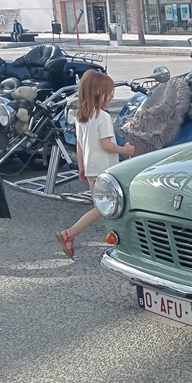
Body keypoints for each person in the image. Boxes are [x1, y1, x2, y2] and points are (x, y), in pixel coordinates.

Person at [55, 70, 135, 260]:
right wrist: (126, 150)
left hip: (91, 168)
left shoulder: (81, 117)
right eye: (109, 92)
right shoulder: (102, 117)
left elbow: (80, 145)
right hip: (105, 168)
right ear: (99, 92)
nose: (112, 96)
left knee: (104, 206)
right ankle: (70, 233)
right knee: (106, 206)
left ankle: (117, 238)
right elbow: (106, 145)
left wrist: (82, 167)